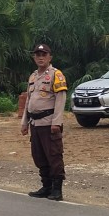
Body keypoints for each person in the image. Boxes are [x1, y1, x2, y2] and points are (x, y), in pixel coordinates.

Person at [20, 44, 68, 200]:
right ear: (34, 57)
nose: (40, 57)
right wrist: (24, 122)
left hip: (49, 123)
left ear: (50, 57)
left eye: (44, 54)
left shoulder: (56, 75)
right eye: (37, 54)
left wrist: (57, 122)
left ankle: (57, 190)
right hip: (35, 123)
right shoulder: (33, 77)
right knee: (38, 156)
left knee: (54, 155)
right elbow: (29, 100)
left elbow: (61, 100)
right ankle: (46, 186)